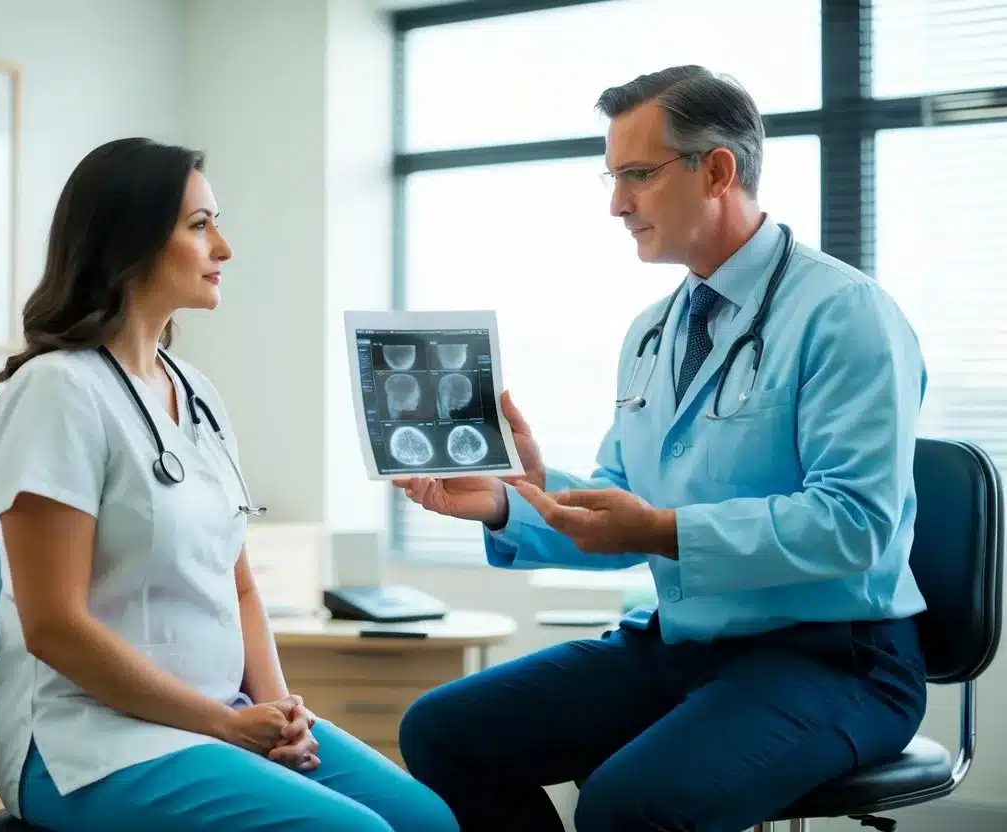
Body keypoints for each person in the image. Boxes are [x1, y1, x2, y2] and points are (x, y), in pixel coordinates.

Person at [393, 66, 929, 832]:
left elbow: (854, 524)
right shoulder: (653, 329)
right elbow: (623, 503)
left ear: (716, 170)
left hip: (833, 657)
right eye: (612, 179)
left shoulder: (845, 314)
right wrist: (515, 500)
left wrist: (656, 531)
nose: (616, 204)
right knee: (442, 733)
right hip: (684, 644)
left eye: (637, 176)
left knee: (627, 807)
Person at [0, 137, 458, 832]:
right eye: (199, 226)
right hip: (92, 743)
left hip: (217, 719)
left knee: (427, 821)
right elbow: (53, 625)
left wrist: (282, 712)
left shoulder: (195, 392)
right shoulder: (56, 391)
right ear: (129, 242)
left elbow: (237, 585)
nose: (224, 247)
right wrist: (221, 724)